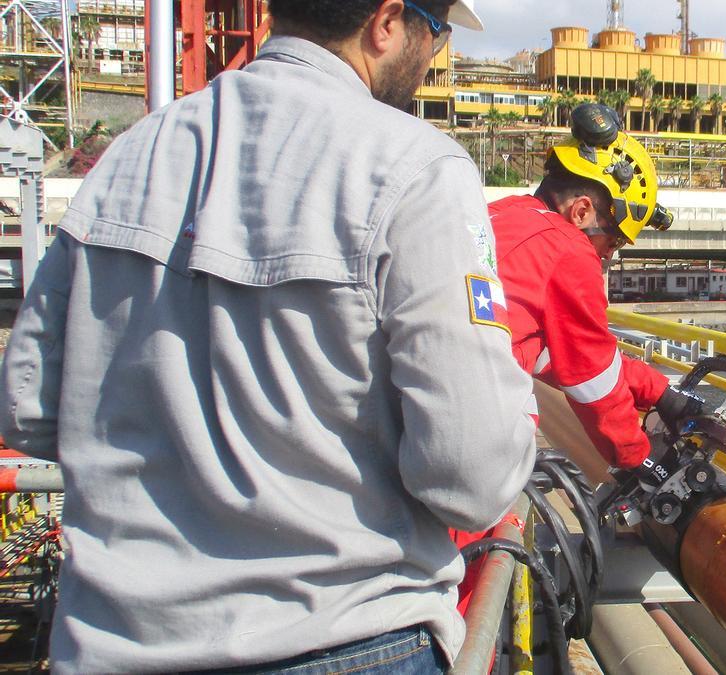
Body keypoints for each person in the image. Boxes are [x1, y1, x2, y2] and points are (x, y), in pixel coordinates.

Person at [0, 0, 536, 672]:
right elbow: (471, 473)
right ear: (388, 22)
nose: (436, 54)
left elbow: (27, 405)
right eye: (438, 32)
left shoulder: (128, 157)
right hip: (349, 640)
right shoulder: (417, 168)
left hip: (114, 642)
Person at [487, 104, 689, 475]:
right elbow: (590, 377)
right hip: (466, 436)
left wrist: (657, 390)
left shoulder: (504, 212)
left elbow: (556, 355)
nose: (605, 257)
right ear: (581, 213)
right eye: (612, 244)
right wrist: (640, 459)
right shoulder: (566, 249)